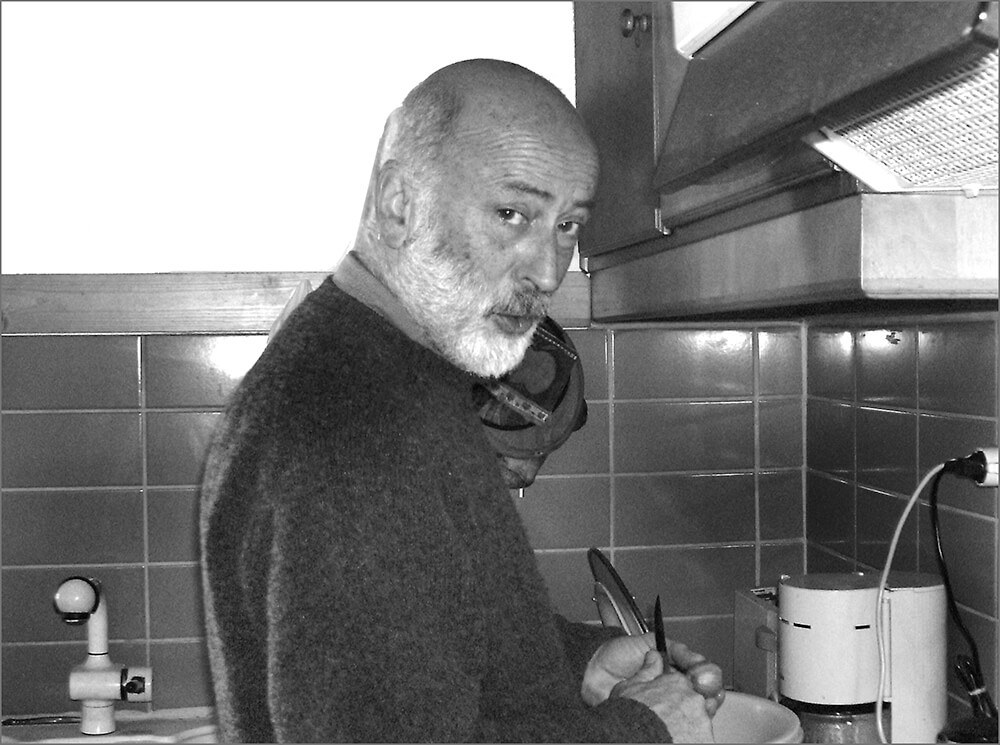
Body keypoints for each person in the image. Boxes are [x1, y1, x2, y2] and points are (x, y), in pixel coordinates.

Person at [200, 58, 724, 743]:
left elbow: (422, 641)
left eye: (568, 225)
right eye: (512, 214)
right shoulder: (357, 432)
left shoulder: (384, 370)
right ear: (399, 204)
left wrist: (577, 661)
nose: (548, 272)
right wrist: (642, 728)